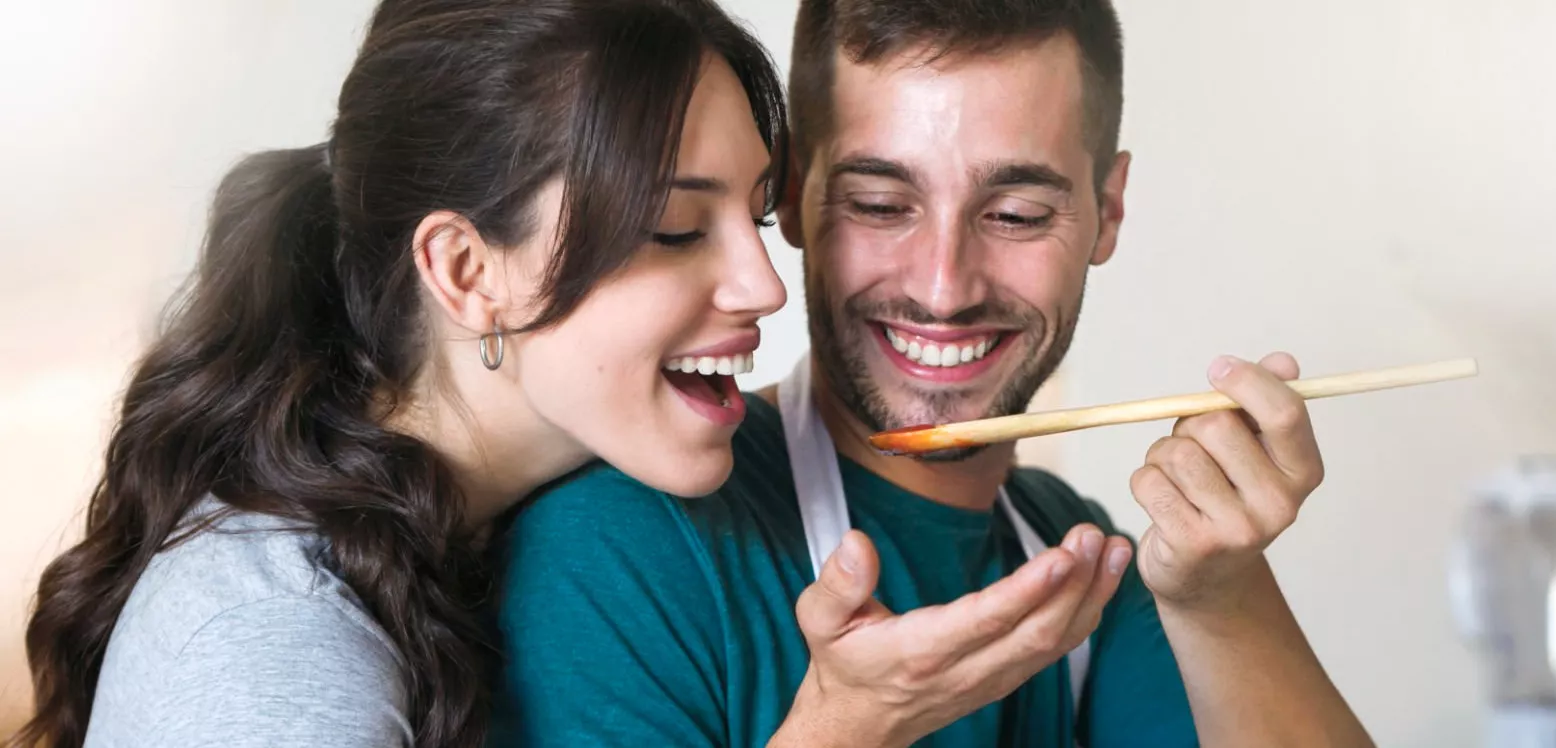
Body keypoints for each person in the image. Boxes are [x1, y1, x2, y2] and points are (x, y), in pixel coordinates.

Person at [493, 0, 1377, 746]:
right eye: (882, 205)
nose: (944, 288)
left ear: (1107, 212)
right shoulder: (621, 543)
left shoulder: (1083, 558)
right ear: (792, 191)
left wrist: (1223, 594)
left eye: (1017, 213)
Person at [6, 1, 791, 747]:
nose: (766, 287)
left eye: (755, 215)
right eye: (676, 230)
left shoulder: (468, 530)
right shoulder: (278, 649)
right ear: (466, 272)